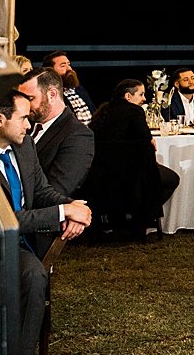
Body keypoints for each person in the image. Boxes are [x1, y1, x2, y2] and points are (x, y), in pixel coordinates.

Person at [0, 90, 92, 355]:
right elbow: (1, 218)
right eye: (22, 118)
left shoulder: (24, 146)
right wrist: (61, 212)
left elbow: (42, 192)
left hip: (22, 243)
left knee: (32, 275)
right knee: (32, 274)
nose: (29, 126)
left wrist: (73, 208)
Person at [85, 80, 181, 229]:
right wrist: (149, 140)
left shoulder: (103, 111)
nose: (144, 99)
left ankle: (125, 216)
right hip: (132, 172)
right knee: (172, 179)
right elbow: (144, 141)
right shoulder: (135, 111)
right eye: (141, 94)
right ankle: (141, 216)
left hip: (100, 173)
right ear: (128, 97)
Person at [19, 69, 95, 198]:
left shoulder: (78, 136)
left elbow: (56, 192)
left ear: (52, 94)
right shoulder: (26, 124)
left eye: (30, 98)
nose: (24, 105)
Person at [41, 50, 93, 126]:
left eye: (69, 64)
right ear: (51, 72)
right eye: (63, 66)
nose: (69, 69)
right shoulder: (51, 96)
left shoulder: (79, 90)